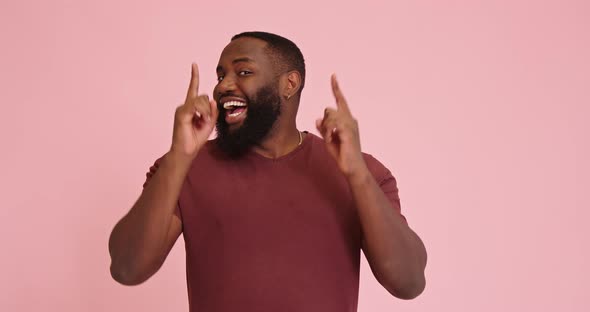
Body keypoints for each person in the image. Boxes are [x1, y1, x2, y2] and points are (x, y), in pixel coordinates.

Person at [108, 31, 427, 311]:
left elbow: (408, 281)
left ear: (289, 84)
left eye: (243, 71)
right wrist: (179, 155)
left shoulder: (362, 171)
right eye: (220, 76)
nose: (223, 86)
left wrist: (356, 174)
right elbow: (127, 267)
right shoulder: (183, 168)